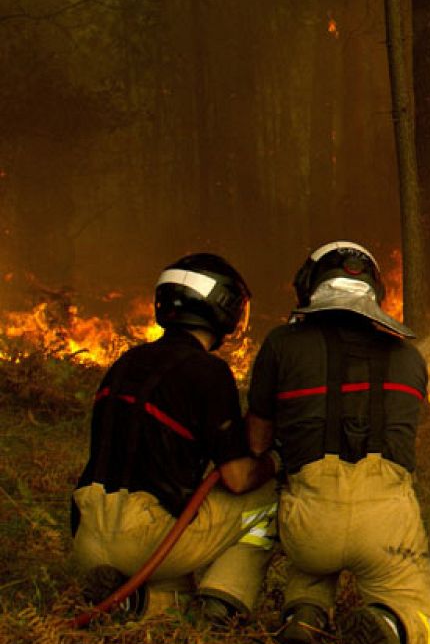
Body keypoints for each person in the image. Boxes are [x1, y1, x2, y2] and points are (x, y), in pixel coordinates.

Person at [245, 241, 430, 644]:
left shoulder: (282, 344)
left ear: (308, 287)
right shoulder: (410, 357)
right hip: (386, 528)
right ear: (375, 292)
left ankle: (305, 615)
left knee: (317, 550)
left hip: (308, 526)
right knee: (429, 627)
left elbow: (256, 443)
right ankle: (391, 624)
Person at [71, 253, 277, 623]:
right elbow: (236, 478)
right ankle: (224, 600)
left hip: (88, 535)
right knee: (270, 497)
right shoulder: (208, 372)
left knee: (178, 599)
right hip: (146, 536)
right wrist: (275, 461)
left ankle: (134, 604)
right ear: (224, 307)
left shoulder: (127, 362)